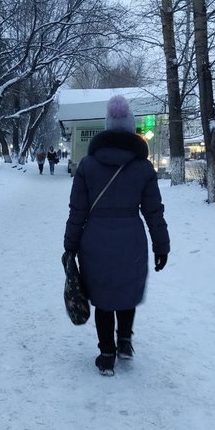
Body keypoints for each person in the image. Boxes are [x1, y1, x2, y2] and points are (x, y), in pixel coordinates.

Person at [63, 95, 170, 376]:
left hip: (94, 241)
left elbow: (78, 210)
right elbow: (154, 211)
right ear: (132, 126)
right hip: (131, 239)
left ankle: (106, 354)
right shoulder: (143, 167)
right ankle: (124, 343)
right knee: (126, 293)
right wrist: (162, 245)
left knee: (103, 298)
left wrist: (70, 245)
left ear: (107, 127)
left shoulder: (88, 165)